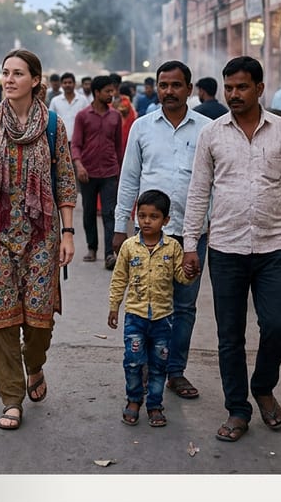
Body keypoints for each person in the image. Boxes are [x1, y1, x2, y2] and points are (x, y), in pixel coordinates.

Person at [182, 56, 281, 443]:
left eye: (242, 87)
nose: (234, 95)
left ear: (260, 89)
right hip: (226, 249)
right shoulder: (212, 133)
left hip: (273, 246)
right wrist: (190, 244)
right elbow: (198, 192)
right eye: (229, 88)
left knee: (277, 323)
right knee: (230, 335)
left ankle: (263, 386)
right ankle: (238, 410)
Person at [0, 49, 77, 430]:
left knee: (39, 320)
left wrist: (68, 232)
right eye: (5, 73)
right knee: (0, 318)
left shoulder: (54, 126)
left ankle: (35, 366)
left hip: (41, 234)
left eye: (18, 73)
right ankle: (11, 398)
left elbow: (66, 181)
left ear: (36, 80)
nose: (9, 79)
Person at [115, 60, 212, 401]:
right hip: (148, 239)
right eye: (163, 85)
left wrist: (208, 223)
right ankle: (142, 365)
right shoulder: (142, 127)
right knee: (144, 302)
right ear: (156, 88)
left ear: (189, 88)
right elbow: (129, 179)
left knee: (184, 307)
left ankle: (175, 372)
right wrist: (118, 228)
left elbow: (215, 183)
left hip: (190, 235)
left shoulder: (207, 128)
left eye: (175, 85)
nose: (169, 91)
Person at [108, 189, 190, 428]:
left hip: (163, 319)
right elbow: (119, 278)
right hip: (135, 316)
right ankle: (134, 400)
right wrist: (114, 306)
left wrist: (190, 273)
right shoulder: (129, 247)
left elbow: (181, 279)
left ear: (165, 220)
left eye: (153, 216)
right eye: (142, 215)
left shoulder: (173, 248)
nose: (146, 221)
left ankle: (154, 405)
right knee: (133, 361)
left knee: (158, 365)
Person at [71, 74, 123, 269]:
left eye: (113, 90)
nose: (112, 94)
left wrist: (120, 170)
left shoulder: (115, 116)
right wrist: (79, 165)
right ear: (97, 92)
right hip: (88, 173)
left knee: (110, 213)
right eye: (108, 91)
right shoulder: (83, 116)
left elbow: (118, 146)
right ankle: (92, 247)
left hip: (110, 172)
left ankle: (110, 253)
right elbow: (76, 144)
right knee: (89, 212)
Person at [49, 72, 89, 142]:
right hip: (60, 141)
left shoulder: (83, 100)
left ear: (74, 84)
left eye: (70, 82)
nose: (67, 85)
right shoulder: (55, 101)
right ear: (61, 84)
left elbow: (88, 119)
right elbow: (51, 120)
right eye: (65, 83)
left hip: (80, 141)